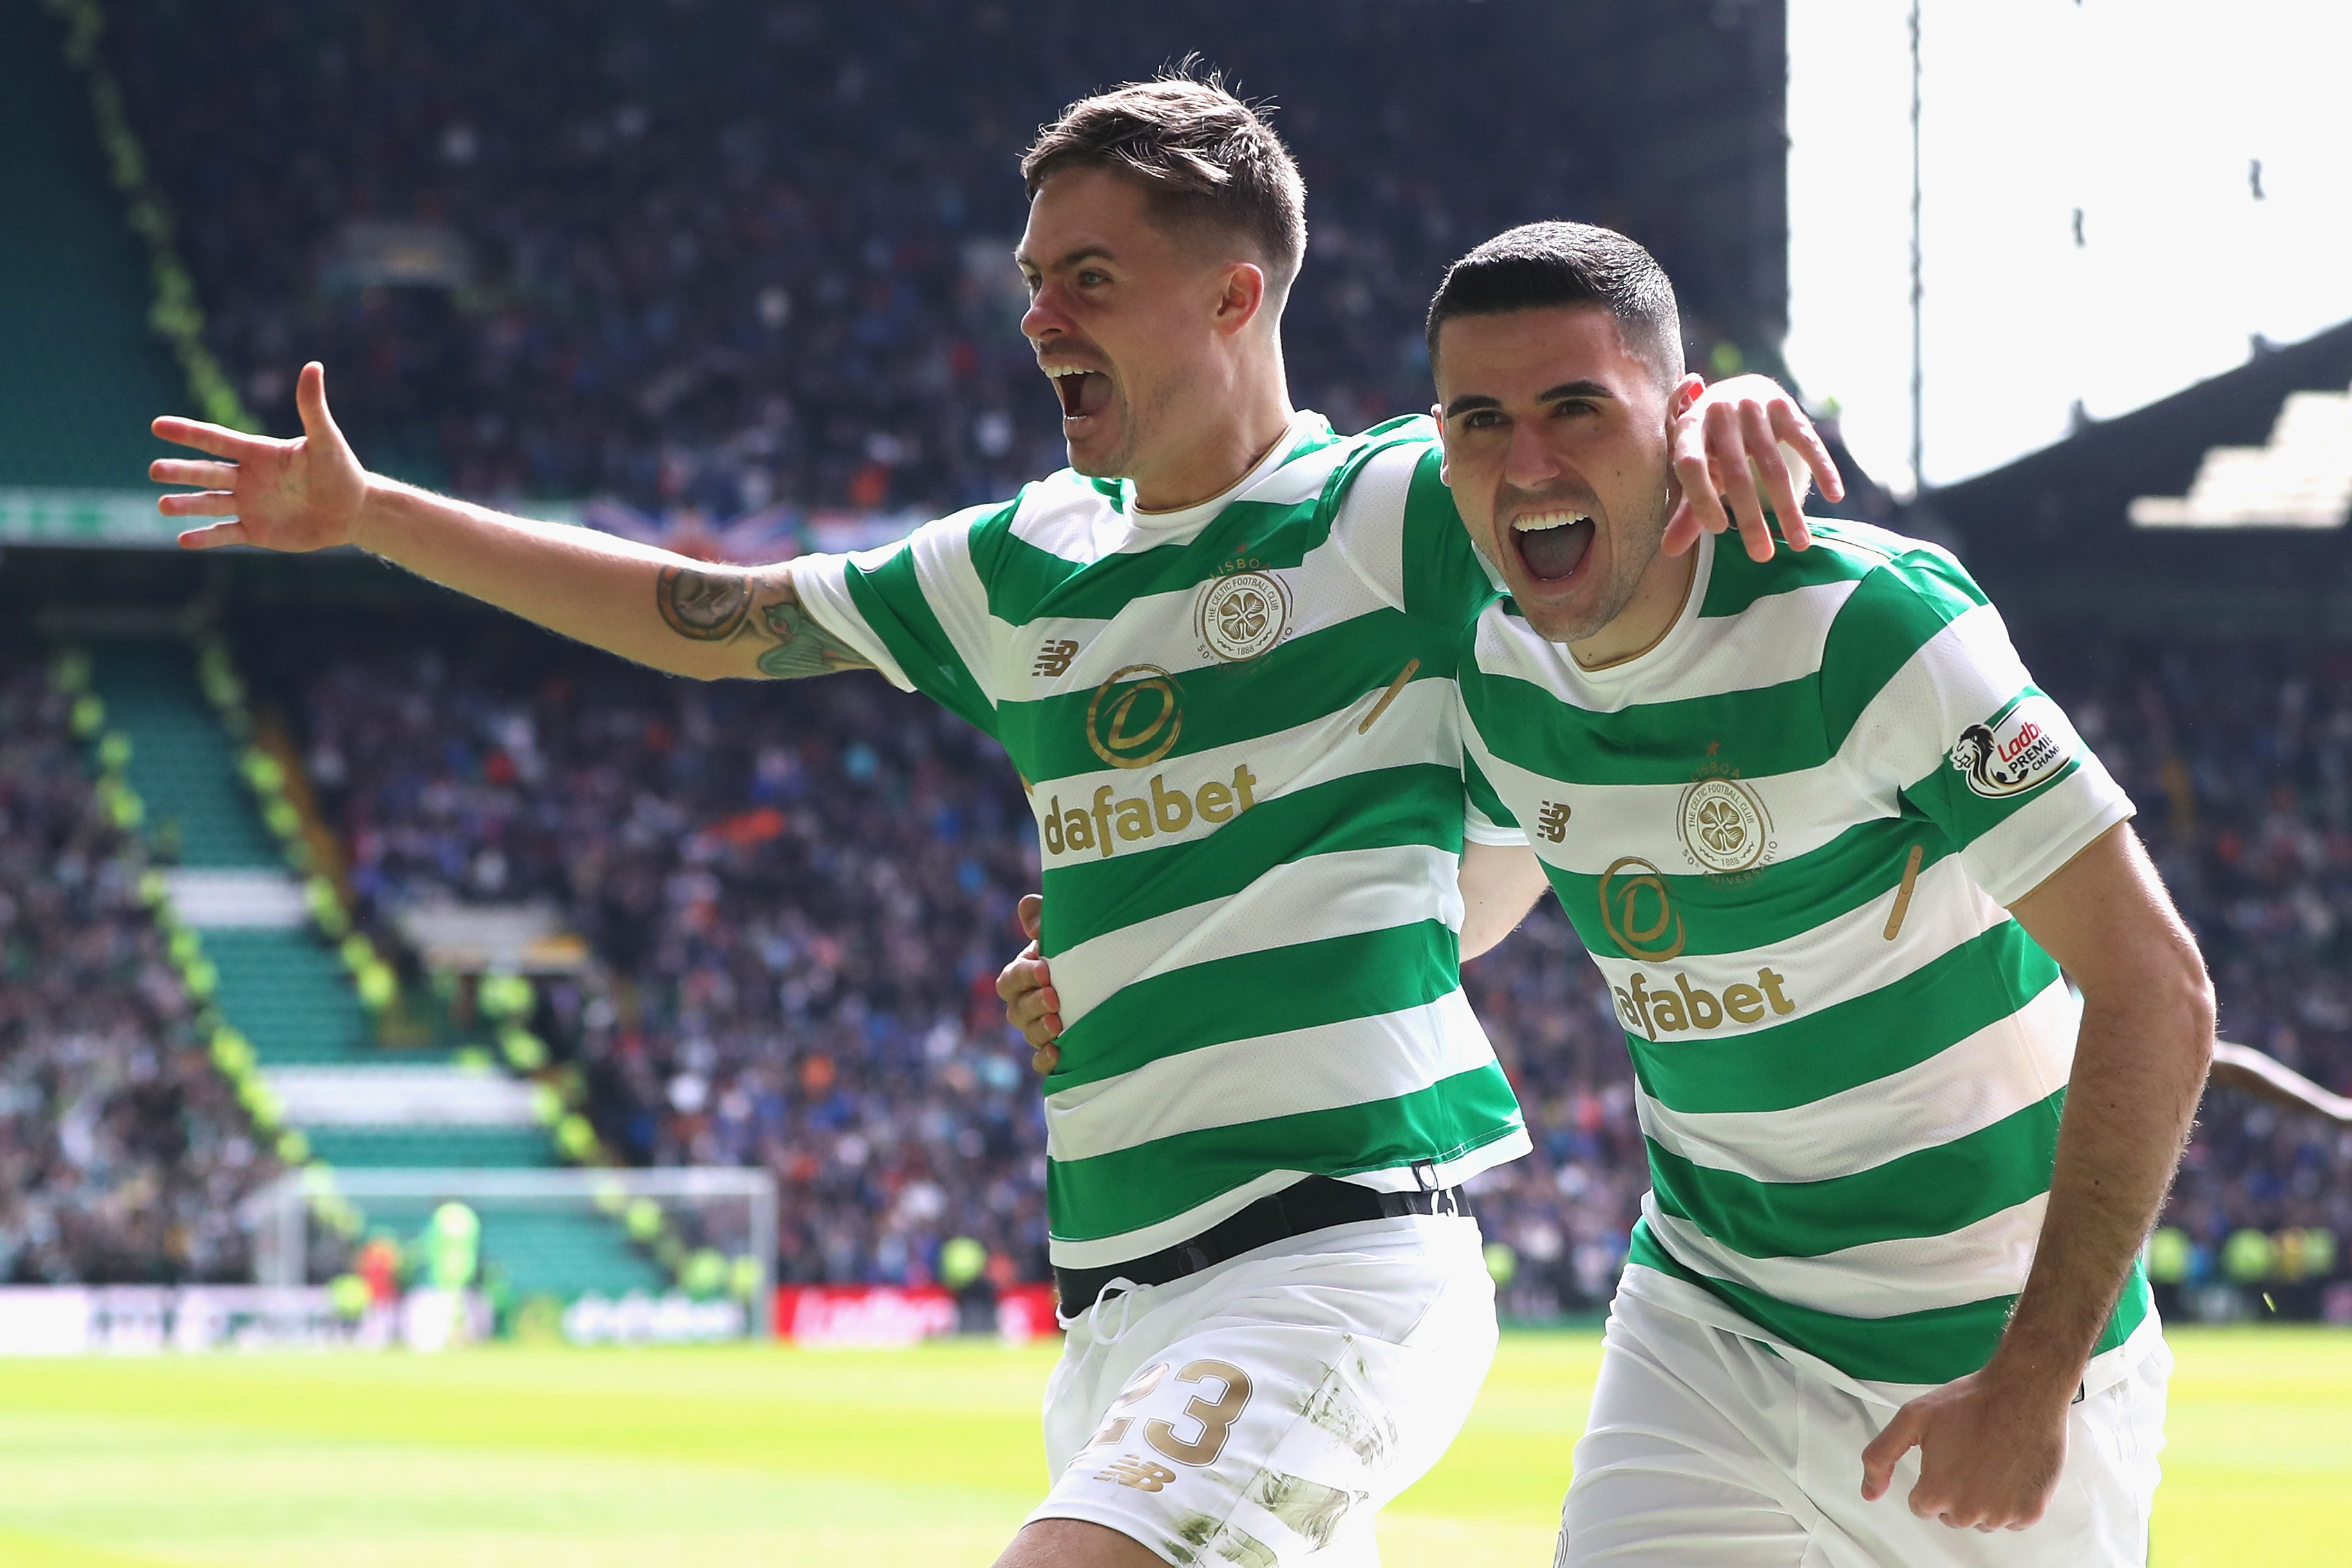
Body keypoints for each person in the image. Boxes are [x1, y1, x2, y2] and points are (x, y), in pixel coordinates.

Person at [150, 72, 1835, 1568]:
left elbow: (1573, 463)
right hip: (1115, 1301)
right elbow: (708, 612)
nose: (1038, 320)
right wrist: (376, 517)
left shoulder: (1387, 506)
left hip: (1338, 1255)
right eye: (1035, 282)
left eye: (1087, 280)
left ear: (1235, 294)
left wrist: (1714, 412)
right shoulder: (1017, 561)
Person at [1427, 221, 2210, 1566]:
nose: (1529, 461)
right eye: (1480, 420)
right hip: (1708, 1324)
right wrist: (1128, 973)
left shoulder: (1864, 623)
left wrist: (2029, 1387)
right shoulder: (1494, 674)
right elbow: (1446, 914)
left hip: (1987, 1350)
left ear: (1677, 421)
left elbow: (2158, 988)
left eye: (1575, 407)